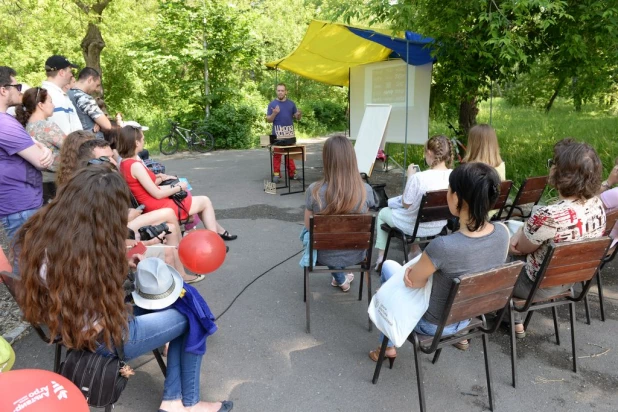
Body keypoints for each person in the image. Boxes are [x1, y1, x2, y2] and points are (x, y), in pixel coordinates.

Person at [13, 165, 233, 412]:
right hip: (103, 338)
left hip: (70, 328)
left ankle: (175, 400)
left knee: (185, 302)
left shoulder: (47, 233)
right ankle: (186, 403)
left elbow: (79, 285)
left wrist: (122, 259)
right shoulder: (85, 254)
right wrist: (124, 266)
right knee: (192, 313)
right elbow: (104, 294)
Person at [369, 162, 510, 363]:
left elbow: (413, 281)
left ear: (457, 198)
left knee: (388, 268)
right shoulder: (503, 233)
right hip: (471, 315)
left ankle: (387, 345)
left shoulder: (443, 246)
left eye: (450, 189)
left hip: (433, 324)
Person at [509, 139, 606, 337]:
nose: (551, 167)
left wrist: (520, 231)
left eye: (553, 163)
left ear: (562, 174)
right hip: (571, 279)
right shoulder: (598, 205)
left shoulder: (549, 215)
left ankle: (509, 316)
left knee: (493, 257)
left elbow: (519, 248)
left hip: (535, 285)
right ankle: (510, 317)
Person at [76, 139, 206, 283]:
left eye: (112, 157)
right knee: (168, 225)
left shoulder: (105, 177)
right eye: (105, 159)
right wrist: (127, 218)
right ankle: (179, 271)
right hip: (110, 248)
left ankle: (180, 272)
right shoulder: (93, 185)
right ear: (91, 162)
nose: (113, 161)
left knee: (171, 227)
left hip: (120, 233)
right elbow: (103, 231)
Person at [116, 123, 237, 242]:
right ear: (136, 142)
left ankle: (217, 234)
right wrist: (178, 188)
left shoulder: (124, 164)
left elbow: (148, 189)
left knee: (201, 202)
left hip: (151, 202)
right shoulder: (135, 165)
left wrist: (172, 186)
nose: (144, 141)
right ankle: (214, 242)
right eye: (142, 139)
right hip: (157, 205)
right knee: (205, 201)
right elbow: (156, 194)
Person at [304, 135, 376, 291]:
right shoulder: (366, 190)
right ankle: (341, 275)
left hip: (324, 255)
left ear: (326, 159)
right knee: (347, 233)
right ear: (352, 159)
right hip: (357, 253)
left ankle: (340, 277)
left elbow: (308, 226)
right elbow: (363, 225)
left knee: (317, 233)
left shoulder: (314, 190)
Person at [374, 135, 453, 269]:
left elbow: (406, 203)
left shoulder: (419, 178)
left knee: (382, 213)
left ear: (429, 153)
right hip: (439, 225)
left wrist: (410, 177)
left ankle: (381, 257)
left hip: (413, 226)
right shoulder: (454, 175)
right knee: (414, 213)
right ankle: (414, 251)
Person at [0, 66, 53, 241]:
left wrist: (41, 146)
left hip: (19, 205)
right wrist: (44, 150)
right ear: (3, 90)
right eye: (17, 86)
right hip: (20, 207)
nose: (19, 91)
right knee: (27, 264)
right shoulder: (4, 124)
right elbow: (41, 161)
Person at [15, 87, 66, 172]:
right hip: (56, 177)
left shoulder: (26, 127)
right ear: (41, 105)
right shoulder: (47, 127)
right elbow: (71, 145)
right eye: (50, 101)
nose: (53, 105)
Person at [265, 83, 301, 183]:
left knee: (290, 154)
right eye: (278, 90)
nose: (280, 92)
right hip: (277, 135)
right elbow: (268, 120)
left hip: (289, 134)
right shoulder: (272, 104)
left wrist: (299, 114)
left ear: (286, 92)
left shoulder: (291, 104)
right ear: (276, 91)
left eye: (282, 90)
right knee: (277, 155)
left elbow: (297, 117)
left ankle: (292, 174)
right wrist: (274, 113)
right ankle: (276, 175)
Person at [41, 55, 82, 135]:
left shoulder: (58, 94)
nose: (71, 75)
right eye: (70, 71)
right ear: (62, 73)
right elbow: (62, 133)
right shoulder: (51, 96)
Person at [68, 67, 111, 138]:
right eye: (97, 85)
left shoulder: (67, 94)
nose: (96, 90)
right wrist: (100, 123)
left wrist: (98, 122)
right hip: (92, 141)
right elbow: (107, 125)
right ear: (90, 80)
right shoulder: (85, 98)